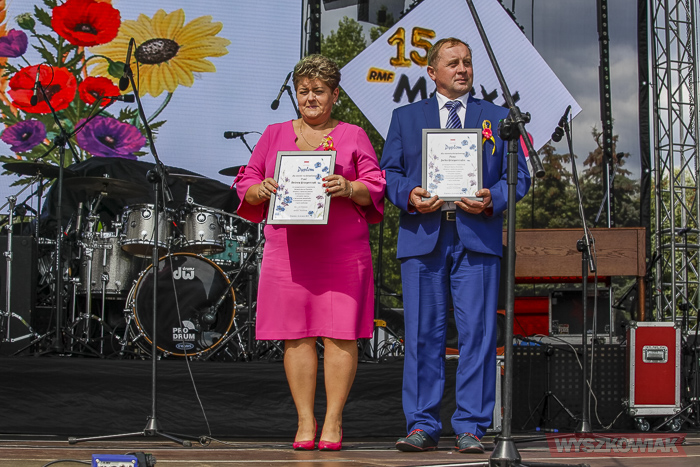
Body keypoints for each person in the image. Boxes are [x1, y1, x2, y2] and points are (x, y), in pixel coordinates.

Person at [381, 38, 531, 453]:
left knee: (478, 334)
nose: (462, 69)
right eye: (453, 63)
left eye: (467, 62)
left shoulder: (497, 118)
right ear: (432, 72)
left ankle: (472, 426)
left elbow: (519, 176)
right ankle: (422, 424)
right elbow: (387, 174)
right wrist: (409, 194)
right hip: (423, 237)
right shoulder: (405, 117)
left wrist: (492, 198)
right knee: (421, 335)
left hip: (477, 237)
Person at [234, 54, 385, 451]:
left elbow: (375, 184)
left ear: (335, 95)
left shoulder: (354, 134)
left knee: (341, 334)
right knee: (295, 335)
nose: (311, 98)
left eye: (319, 91)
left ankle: (333, 420)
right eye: (304, 91)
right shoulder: (274, 134)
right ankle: (305, 419)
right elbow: (247, 180)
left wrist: (349, 187)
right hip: (288, 251)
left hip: (342, 250)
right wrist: (259, 189)